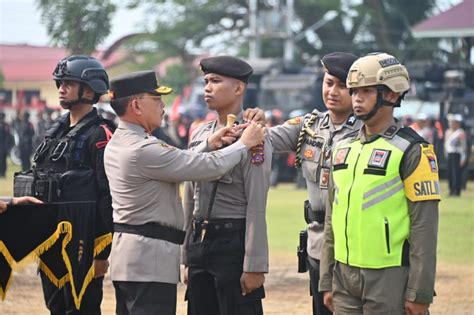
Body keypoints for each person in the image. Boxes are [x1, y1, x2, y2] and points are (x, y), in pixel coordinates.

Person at [104, 70, 265, 315]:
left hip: (132, 259)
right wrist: (244, 144)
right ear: (136, 105)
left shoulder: (121, 142)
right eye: (156, 99)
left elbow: (181, 163)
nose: (162, 105)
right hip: (150, 262)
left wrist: (209, 144)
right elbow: (207, 167)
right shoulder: (143, 149)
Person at [319, 52, 440, 315]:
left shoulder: (413, 150)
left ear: (393, 95)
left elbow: (424, 228)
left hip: (390, 278)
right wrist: (327, 278)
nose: (357, 99)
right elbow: (332, 218)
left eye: (366, 91)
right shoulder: (342, 148)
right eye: (354, 91)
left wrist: (419, 291)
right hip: (343, 275)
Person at [247, 52, 361, 315]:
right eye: (328, 82)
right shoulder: (309, 126)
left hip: (353, 244)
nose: (333, 91)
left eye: (342, 86)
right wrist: (252, 123)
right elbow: (263, 139)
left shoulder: (366, 130)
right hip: (317, 243)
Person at [182, 56, 272, 315]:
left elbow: (256, 203)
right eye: (206, 81)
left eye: (216, 81)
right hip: (200, 241)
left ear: (238, 88)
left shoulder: (253, 135)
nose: (207, 87)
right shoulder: (201, 134)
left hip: (233, 243)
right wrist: (187, 256)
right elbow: (190, 197)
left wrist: (254, 264)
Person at [32, 55, 115, 314]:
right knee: (55, 306)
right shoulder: (53, 132)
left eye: (68, 83)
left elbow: (107, 195)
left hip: (85, 239)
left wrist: (103, 253)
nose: (61, 89)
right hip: (51, 235)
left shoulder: (100, 134)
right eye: (60, 83)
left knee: (82, 307)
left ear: (89, 90)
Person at [444, 113, 467, 196]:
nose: (451, 124)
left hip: (457, 154)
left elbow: (463, 146)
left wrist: (463, 158)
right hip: (449, 154)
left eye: (453, 123)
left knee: (456, 173)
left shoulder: (460, 133)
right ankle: (451, 190)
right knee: (450, 173)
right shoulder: (447, 132)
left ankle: (457, 191)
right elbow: (446, 144)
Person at [0, 111, 14, 177]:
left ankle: (3, 172)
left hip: (3, 146)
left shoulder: (6, 125)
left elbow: (8, 136)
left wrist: (7, 145)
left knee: (3, 160)